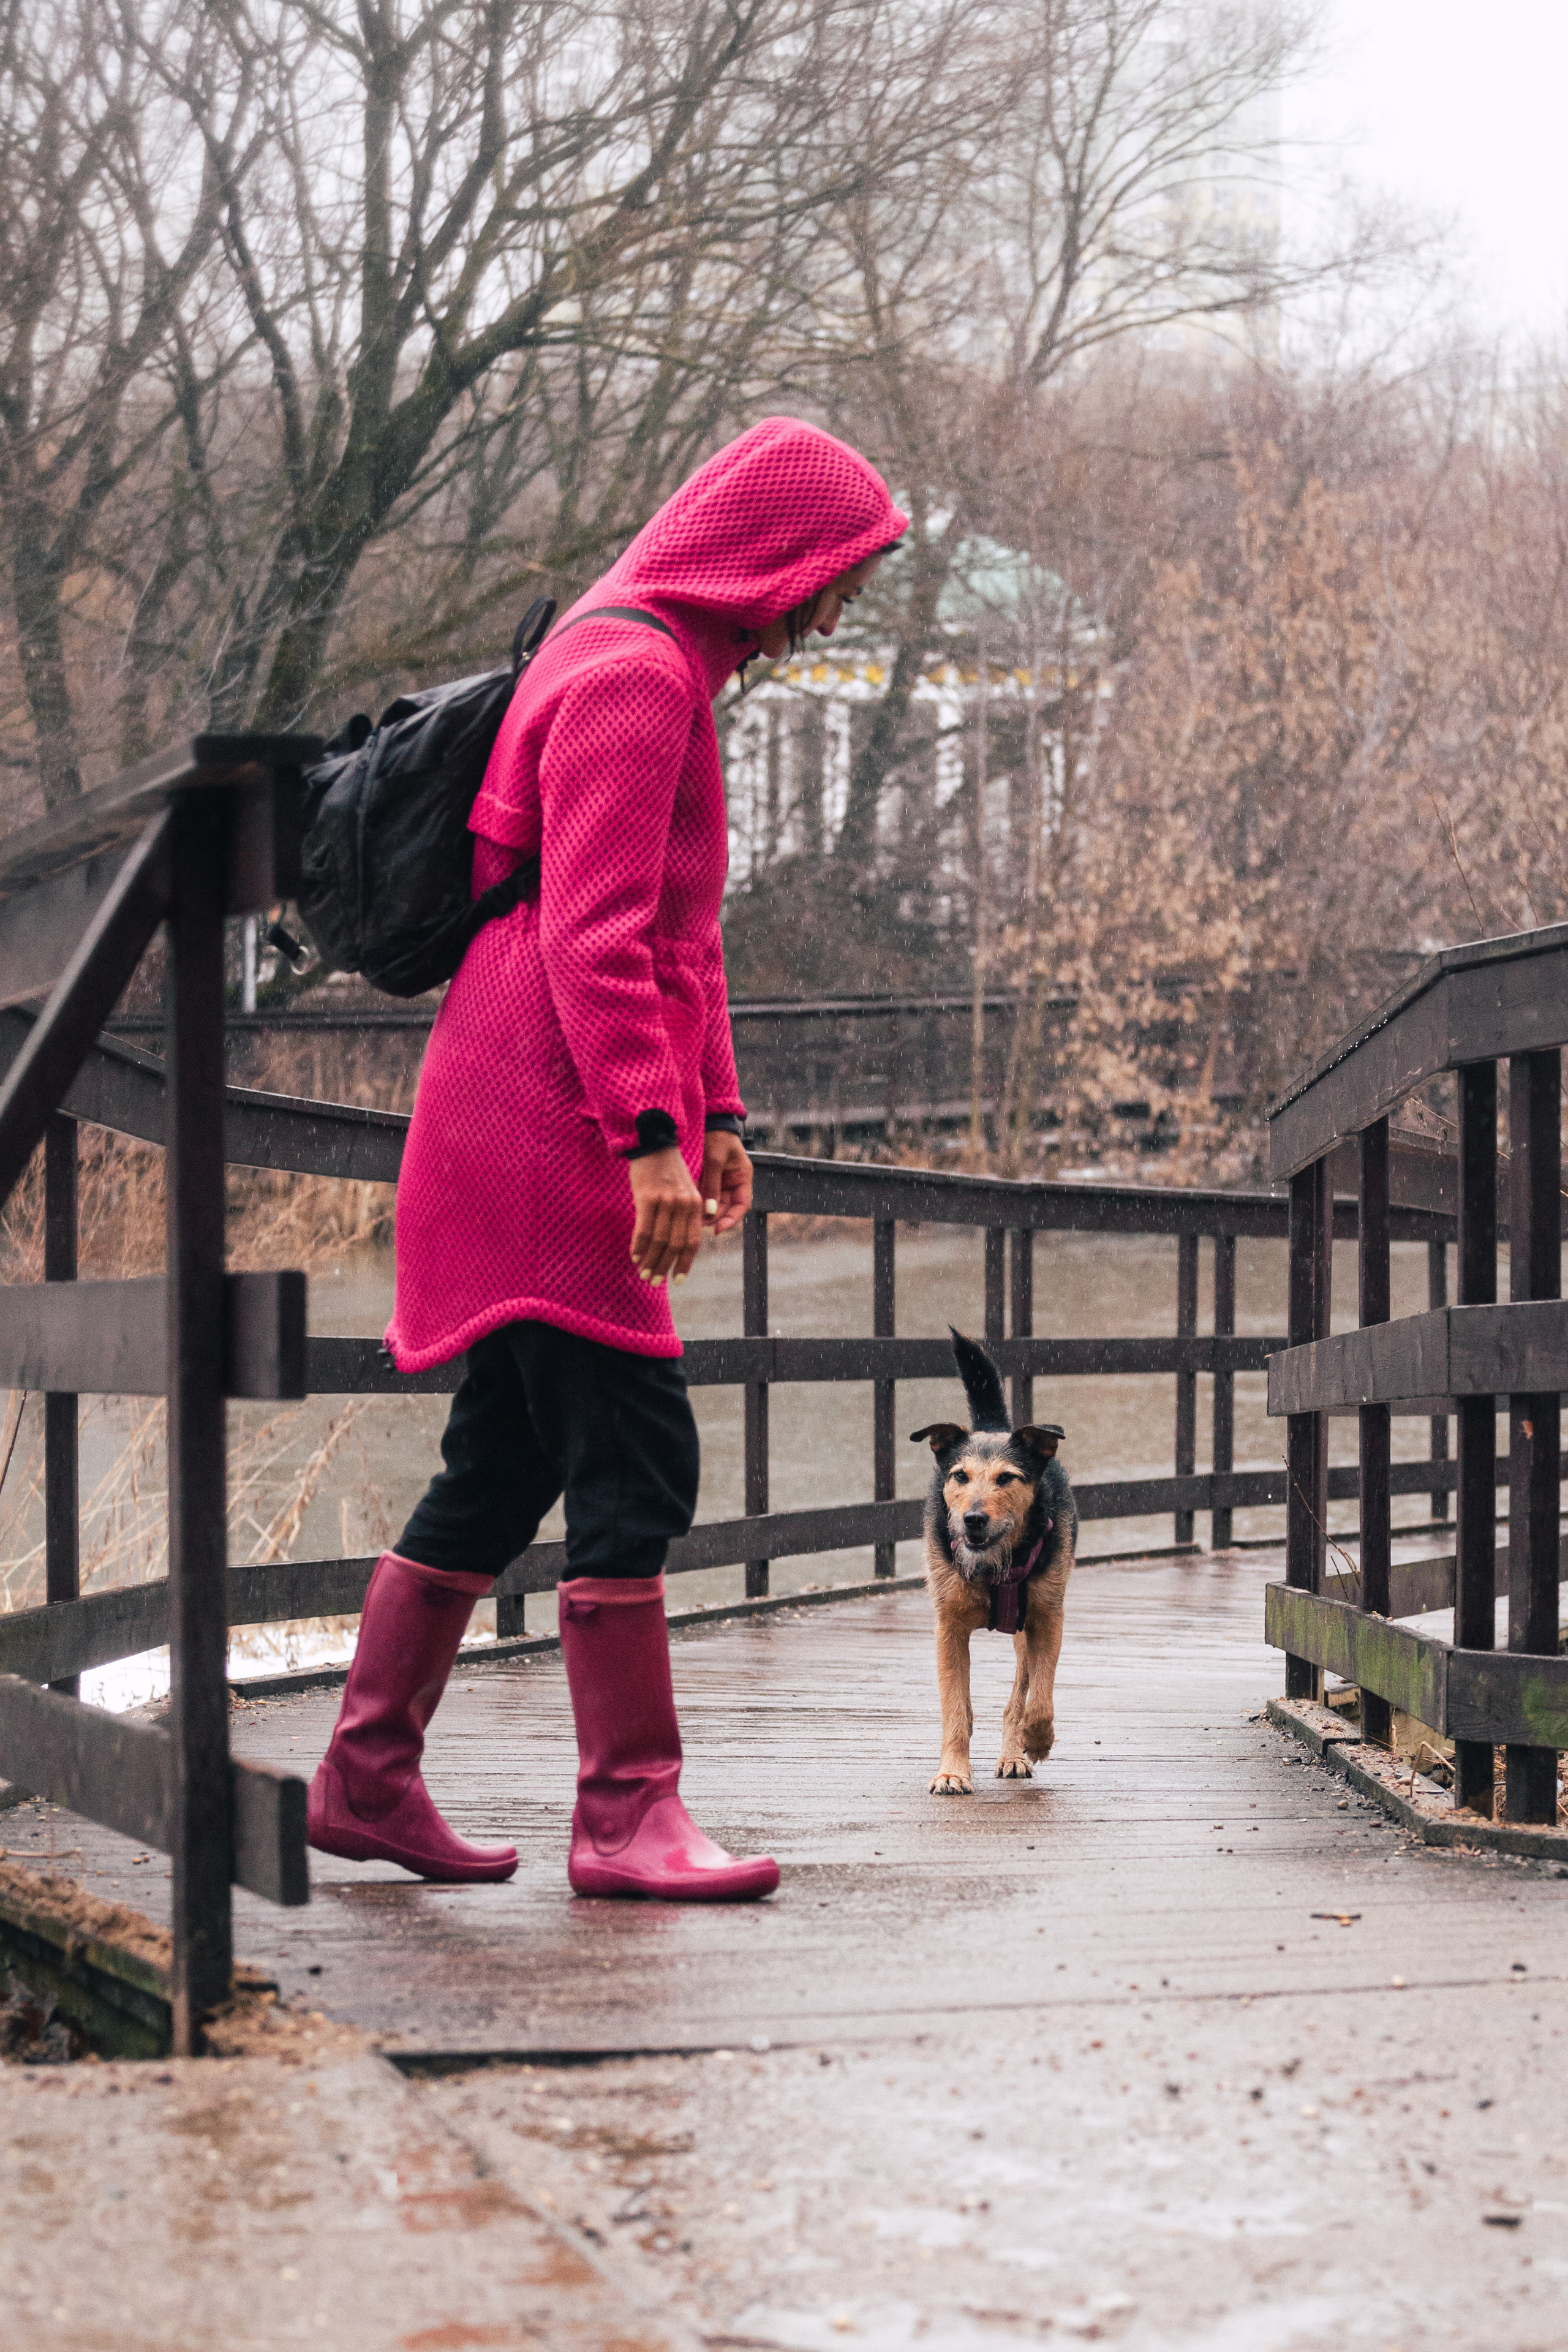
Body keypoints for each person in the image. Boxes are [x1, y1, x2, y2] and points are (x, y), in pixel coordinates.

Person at [307, 417, 908, 1900]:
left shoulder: (636, 659)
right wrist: (646, 1134)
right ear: (767, 554)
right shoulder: (637, 678)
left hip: (511, 1094)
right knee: (639, 1455)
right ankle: (626, 1821)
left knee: (504, 1458)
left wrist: (721, 1115)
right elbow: (593, 939)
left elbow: (677, 936)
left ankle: (364, 1778)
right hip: (543, 1113)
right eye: (832, 579)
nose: (831, 611)